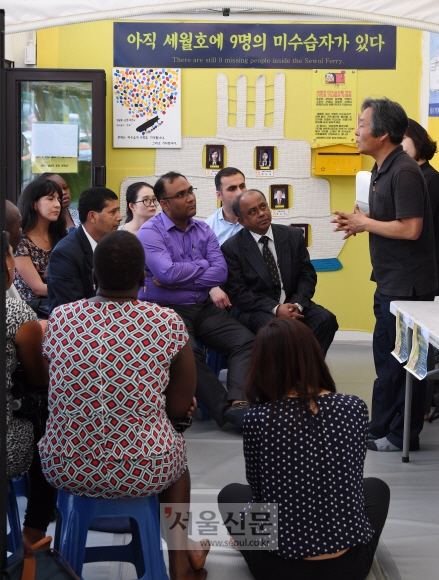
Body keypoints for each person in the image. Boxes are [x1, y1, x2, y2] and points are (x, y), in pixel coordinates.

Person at [39, 231, 207, 580]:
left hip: (65, 465)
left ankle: (70, 554)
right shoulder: (166, 323)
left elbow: (52, 384)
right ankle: (180, 566)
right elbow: (178, 409)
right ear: (143, 278)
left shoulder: (60, 319)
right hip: (145, 467)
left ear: (94, 276)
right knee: (178, 466)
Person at [218, 319, 390, 580]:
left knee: (231, 494)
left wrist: (244, 530)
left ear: (262, 365)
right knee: (376, 488)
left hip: (278, 569)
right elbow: (351, 480)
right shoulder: (354, 408)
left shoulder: (257, 419)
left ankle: (246, 542)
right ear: (314, 356)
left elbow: (259, 493)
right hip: (349, 568)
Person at [332, 98, 437, 452]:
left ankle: (400, 435)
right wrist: (360, 222)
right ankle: (381, 426)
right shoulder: (381, 169)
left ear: (383, 133)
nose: (356, 131)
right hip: (389, 280)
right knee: (387, 358)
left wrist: (365, 223)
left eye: (362, 124)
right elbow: (387, 220)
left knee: (405, 362)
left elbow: (410, 229)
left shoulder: (404, 171)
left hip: (408, 285)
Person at [138, 171, 255, 430]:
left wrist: (178, 276)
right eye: (181, 194)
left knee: (245, 341)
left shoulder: (202, 229)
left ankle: (239, 403)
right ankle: (226, 412)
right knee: (188, 354)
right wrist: (201, 265)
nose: (190, 198)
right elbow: (166, 273)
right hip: (166, 310)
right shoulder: (150, 232)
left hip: (202, 307)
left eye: (190, 191)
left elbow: (220, 272)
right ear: (164, 204)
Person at [222, 189, 338, 355]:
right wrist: (276, 308)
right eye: (253, 212)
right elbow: (239, 293)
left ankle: (307, 368)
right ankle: (291, 370)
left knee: (326, 320)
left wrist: (297, 305)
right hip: (257, 309)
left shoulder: (293, 235)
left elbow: (307, 275)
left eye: (263, 206)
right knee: (279, 331)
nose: (261, 213)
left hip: (292, 302)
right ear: (241, 221)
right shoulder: (232, 248)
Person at [4, 232, 54, 551]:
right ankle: (34, 529)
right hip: (8, 447)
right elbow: (39, 378)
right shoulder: (16, 314)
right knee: (47, 418)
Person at [46, 186, 122, 313]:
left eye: (118, 211)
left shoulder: (115, 245)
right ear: (92, 216)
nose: (119, 217)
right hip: (76, 321)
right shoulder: (65, 253)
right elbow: (75, 306)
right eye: (113, 212)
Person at [14, 177, 67, 317]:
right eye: (50, 199)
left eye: (59, 200)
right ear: (34, 204)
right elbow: (38, 288)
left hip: (60, 305)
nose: (57, 205)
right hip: (30, 311)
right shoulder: (21, 240)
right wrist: (73, 287)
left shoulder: (62, 236)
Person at [402, 119, 439, 293]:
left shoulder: (430, 178)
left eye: (402, 139)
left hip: (421, 274)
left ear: (417, 138)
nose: (398, 146)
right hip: (402, 272)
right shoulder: (407, 176)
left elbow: (412, 225)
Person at [205, 167, 247, 309]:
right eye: (232, 188)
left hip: (258, 292)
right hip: (224, 297)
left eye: (242, 186)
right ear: (219, 195)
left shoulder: (258, 222)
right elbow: (201, 264)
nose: (240, 193)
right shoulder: (207, 228)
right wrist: (212, 287)